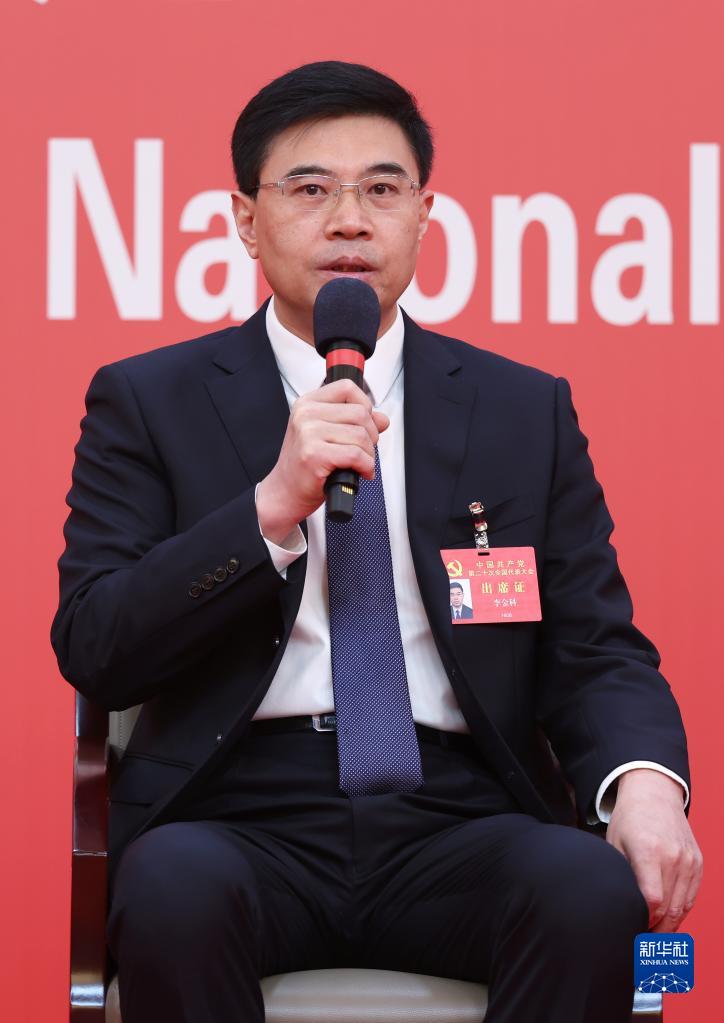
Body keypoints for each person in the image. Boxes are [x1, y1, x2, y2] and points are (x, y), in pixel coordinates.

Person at [51, 61, 702, 1023]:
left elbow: (596, 647)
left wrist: (644, 784)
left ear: (425, 217)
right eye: (311, 189)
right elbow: (96, 641)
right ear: (245, 219)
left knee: (586, 889)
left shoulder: (522, 409)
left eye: (383, 190)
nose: (350, 221)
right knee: (171, 890)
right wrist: (269, 510)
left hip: (461, 815)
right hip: (236, 811)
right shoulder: (149, 400)